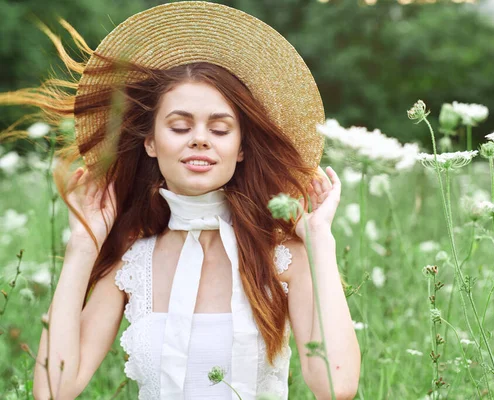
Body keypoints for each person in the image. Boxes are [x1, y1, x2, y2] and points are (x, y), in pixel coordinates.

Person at [0, 2, 360, 399]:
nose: (200, 138)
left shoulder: (284, 257)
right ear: (151, 142)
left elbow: (336, 386)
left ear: (241, 148)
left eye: (220, 129)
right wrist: (83, 247)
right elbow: (53, 391)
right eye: (180, 125)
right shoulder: (132, 260)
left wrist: (320, 241)